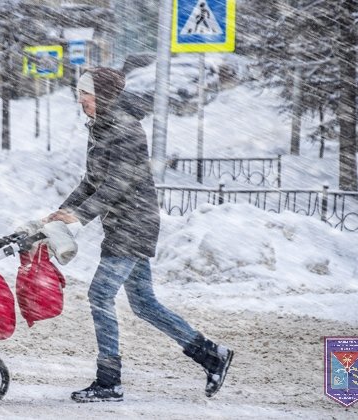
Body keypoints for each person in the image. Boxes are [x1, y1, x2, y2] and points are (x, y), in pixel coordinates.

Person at [45, 67, 234, 403]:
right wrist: (63, 211)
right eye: (79, 93)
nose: (80, 99)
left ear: (102, 95)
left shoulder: (126, 129)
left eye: (85, 93)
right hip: (122, 224)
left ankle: (109, 380)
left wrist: (80, 215)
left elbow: (118, 183)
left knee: (99, 295)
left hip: (134, 224)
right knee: (144, 304)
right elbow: (92, 182)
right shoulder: (101, 128)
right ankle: (211, 355)